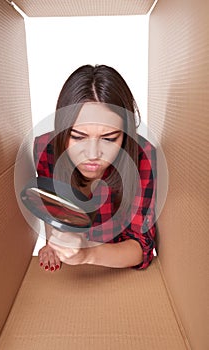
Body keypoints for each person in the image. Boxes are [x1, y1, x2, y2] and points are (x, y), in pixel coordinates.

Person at [34, 64, 156, 272]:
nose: (92, 154)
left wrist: (87, 253)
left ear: (125, 133)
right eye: (78, 137)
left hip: (117, 263)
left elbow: (141, 248)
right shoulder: (46, 148)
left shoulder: (142, 156)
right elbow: (52, 206)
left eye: (109, 138)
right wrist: (55, 242)